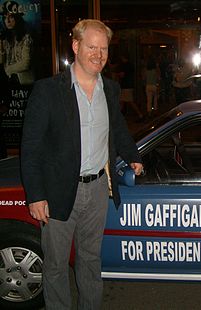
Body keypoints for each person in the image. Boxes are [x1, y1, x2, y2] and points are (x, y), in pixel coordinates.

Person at [21, 19, 143, 310]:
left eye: (104, 49)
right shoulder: (48, 90)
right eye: (92, 47)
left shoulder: (110, 90)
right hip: (58, 191)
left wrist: (134, 156)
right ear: (76, 46)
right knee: (56, 264)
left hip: (99, 188)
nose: (98, 55)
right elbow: (31, 147)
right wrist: (36, 195)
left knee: (90, 260)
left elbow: (118, 130)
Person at [0, 0, 34, 85]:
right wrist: (1, 47)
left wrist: (7, 70)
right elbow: (1, 61)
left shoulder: (26, 37)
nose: (7, 21)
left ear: (17, 18)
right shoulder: (5, 38)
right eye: (5, 17)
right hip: (8, 83)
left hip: (24, 82)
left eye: (10, 17)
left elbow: (25, 63)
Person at [118, 55, 144, 122]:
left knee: (129, 101)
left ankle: (140, 114)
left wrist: (118, 75)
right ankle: (118, 117)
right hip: (129, 85)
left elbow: (122, 75)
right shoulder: (131, 65)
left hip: (125, 86)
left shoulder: (125, 66)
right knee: (123, 101)